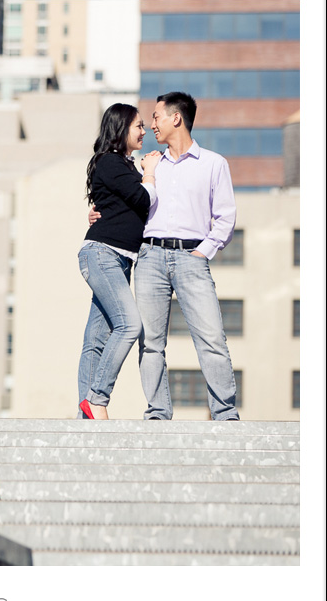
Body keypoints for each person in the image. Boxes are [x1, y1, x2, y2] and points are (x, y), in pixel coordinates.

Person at [89, 91, 240, 421]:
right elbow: (120, 199)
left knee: (212, 340)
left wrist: (203, 252)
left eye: (155, 117)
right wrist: (95, 212)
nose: (150, 124)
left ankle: (226, 415)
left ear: (176, 118)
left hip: (191, 258)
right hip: (150, 258)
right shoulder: (147, 165)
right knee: (151, 343)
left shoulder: (214, 164)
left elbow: (226, 217)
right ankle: (157, 413)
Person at [77, 103, 160, 420]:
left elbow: (124, 207)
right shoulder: (110, 163)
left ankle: (87, 416)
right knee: (129, 324)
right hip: (103, 255)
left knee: (95, 341)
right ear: (120, 128)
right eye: (138, 125)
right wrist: (149, 174)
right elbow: (142, 199)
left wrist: (142, 174)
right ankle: (97, 400)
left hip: (118, 260)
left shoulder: (124, 167)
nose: (143, 131)